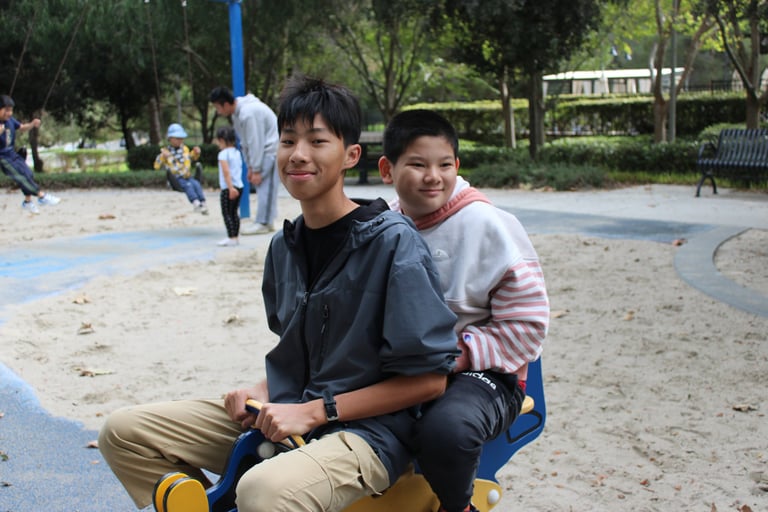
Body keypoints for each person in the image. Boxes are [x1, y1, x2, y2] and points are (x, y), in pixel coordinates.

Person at [98, 76, 460, 512]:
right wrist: (259, 389)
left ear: (350, 155)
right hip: (287, 414)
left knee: (262, 491)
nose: (298, 154)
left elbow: (429, 380)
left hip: (369, 433)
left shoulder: (393, 245)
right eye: (288, 141)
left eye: (317, 141)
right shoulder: (283, 247)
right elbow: (306, 354)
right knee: (123, 432)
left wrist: (317, 411)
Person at [378, 109, 550, 512]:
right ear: (387, 169)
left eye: (444, 165)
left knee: (447, 429)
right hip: (408, 368)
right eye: (417, 164)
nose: (433, 176)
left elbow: (529, 324)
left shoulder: (488, 226)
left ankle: (458, 507)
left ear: (457, 165)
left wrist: (459, 354)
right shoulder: (383, 226)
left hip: (484, 372)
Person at [209, 86, 278, 235]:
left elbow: (255, 142)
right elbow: (245, 143)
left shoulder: (248, 113)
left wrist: (256, 169)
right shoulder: (238, 114)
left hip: (270, 150)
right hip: (262, 151)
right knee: (262, 186)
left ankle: (264, 222)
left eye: (217, 107)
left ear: (225, 104)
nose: (218, 112)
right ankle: (266, 221)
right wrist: (251, 167)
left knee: (266, 186)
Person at [0, 94, 60, 214]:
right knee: (20, 177)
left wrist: (32, 124)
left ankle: (27, 202)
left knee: (28, 173)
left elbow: (22, 127)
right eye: (6, 110)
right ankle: (41, 196)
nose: (9, 113)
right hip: (3, 158)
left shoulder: (10, 120)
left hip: (12, 154)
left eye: (11, 110)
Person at [154, 123, 209, 214]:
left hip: (187, 175)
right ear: (170, 138)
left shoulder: (185, 149)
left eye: (181, 138)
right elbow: (156, 166)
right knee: (188, 186)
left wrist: (196, 153)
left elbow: (191, 158)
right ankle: (196, 203)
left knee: (196, 184)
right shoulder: (166, 152)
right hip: (176, 178)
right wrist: (162, 157)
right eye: (177, 138)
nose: (180, 140)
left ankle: (203, 202)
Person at [214, 125, 243, 246]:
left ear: (221, 140)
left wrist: (230, 187)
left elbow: (226, 172)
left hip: (228, 188)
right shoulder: (237, 152)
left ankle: (231, 237)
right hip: (239, 186)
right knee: (234, 212)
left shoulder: (223, 154)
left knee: (227, 213)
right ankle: (235, 237)